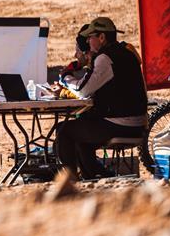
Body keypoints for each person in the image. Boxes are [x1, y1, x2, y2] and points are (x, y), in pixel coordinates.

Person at [53, 18, 148, 180]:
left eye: (91, 37)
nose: (88, 41)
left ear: (102, 37)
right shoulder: (127, 52)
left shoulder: (105, 58)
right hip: (139, 123)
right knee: (81, 130)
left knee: (64, 130)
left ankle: (70, 181)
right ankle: (97, 177)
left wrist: (66, 78)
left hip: (120, 124)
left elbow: (83, 90)